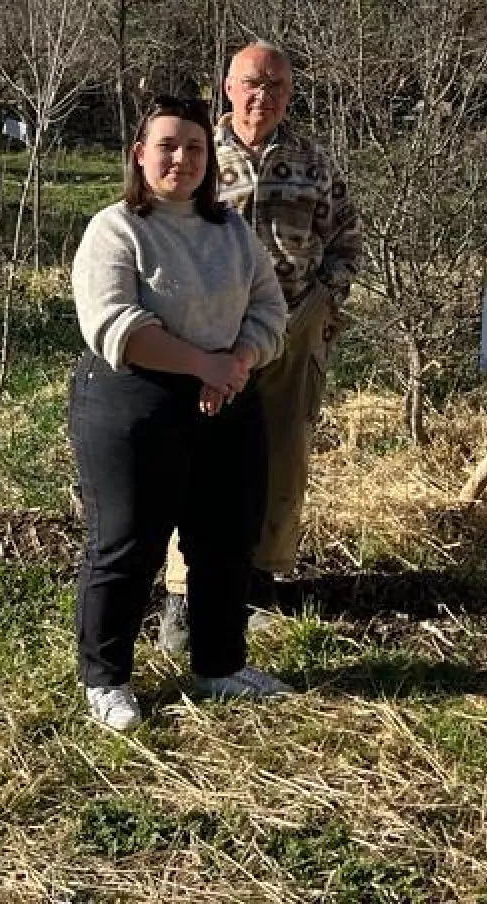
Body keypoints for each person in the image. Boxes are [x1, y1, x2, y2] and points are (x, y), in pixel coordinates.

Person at [69, 93, 291, 731]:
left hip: (227, 395)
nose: (182, 159)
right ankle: (106, 678)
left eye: (195, 147)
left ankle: (218, 665)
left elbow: (268, 308)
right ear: (140, 155)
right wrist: (204, 365)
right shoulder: (116, 229)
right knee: (128, 545)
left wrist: (239, 360)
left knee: (225, 541)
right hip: (133, 400)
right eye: (167, 145)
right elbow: (116, 324)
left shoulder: (231, 231)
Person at [158, 41, 363, 651]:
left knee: (281, 452)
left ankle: (258, 580)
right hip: (209, 331)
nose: (263, 95)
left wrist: (326, 300)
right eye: (252, 82)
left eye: (276, 86)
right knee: (195, 454)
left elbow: (347, 235)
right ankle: (182, 592)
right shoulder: (198, 154)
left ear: (290, 95)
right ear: (228, 87)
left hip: (293, 327)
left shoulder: (313, 161)